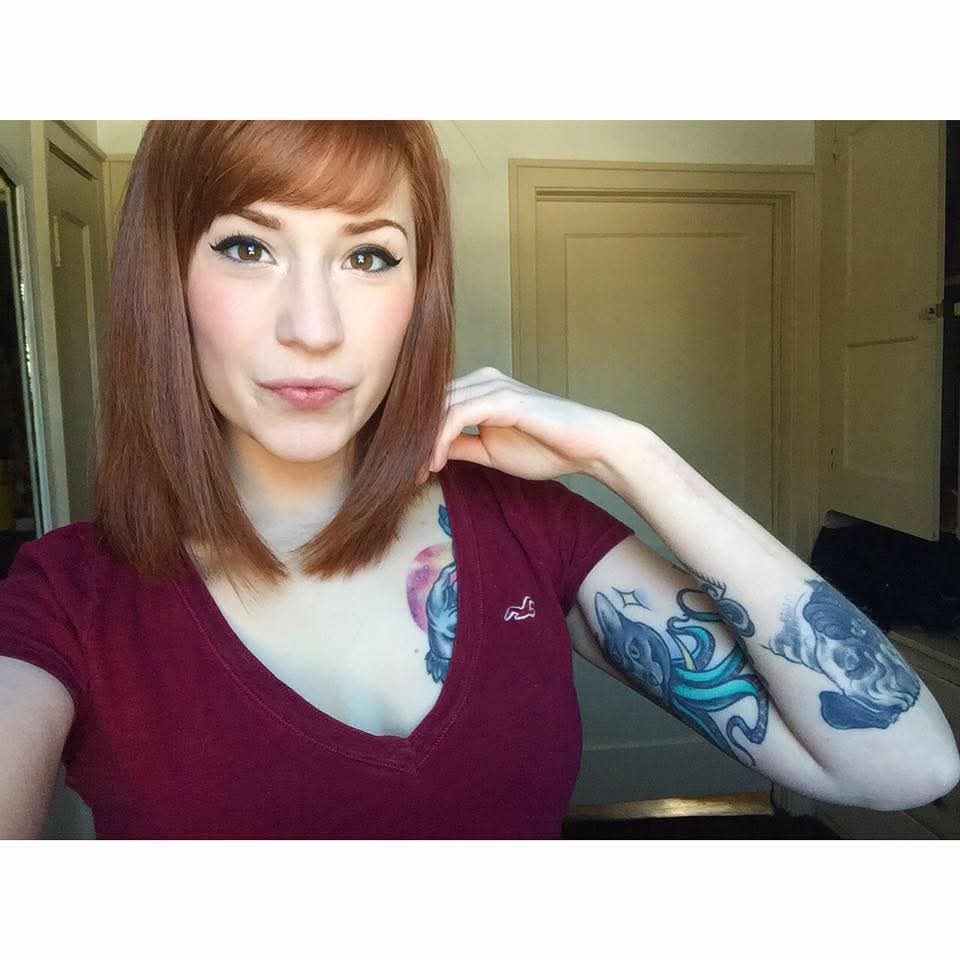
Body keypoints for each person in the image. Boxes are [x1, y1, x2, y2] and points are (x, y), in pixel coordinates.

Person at [1, 121, 957, 839]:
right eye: (248, 247)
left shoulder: (527, 530)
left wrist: (630, 455)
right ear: (165, 276)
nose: (314, 327)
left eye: (369, 255)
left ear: (419, 294)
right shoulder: (65, 601)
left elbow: (904, 764)